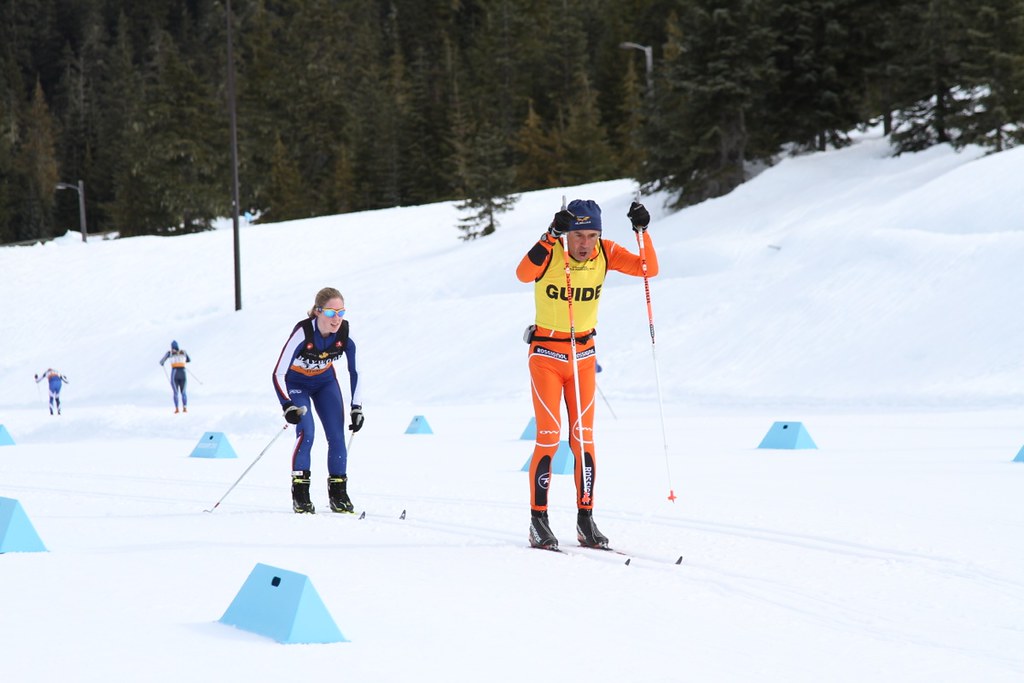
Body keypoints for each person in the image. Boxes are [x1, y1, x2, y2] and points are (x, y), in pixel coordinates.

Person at [515, 198, 657, 550]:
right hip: (547, 355)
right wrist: (550, 235)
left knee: (583, 438)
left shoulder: (605, 252)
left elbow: (647, 269)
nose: (585, 244)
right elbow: (523, 274)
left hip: (582, 356)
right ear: (568, 234)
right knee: (549, 436)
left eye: (592, 235)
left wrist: (642, 231)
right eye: (579, 235)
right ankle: (538, 521)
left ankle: (585, 519)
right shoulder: (552, 250)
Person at [272, 287, 364, 514]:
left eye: (341, 312)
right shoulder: (303, 332)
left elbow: (356, 372)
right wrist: (287, 404)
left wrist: (356, 408)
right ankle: (301, 495)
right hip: (297, 384)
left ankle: (338, 495)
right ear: (318, 311)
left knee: (337, 435)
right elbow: (278, 373)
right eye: (331, 313)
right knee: (307, 433)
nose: (337, 319)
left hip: (325, 383)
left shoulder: (344, 333)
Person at [158, 341, 191, 413]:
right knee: (183, 392)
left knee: (175, 392)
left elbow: (161, 362)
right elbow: (189, 360)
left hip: (174, 373)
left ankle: (177, 409)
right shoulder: (183, 352)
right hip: (183, 372)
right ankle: (185, 408)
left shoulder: (169, 353)